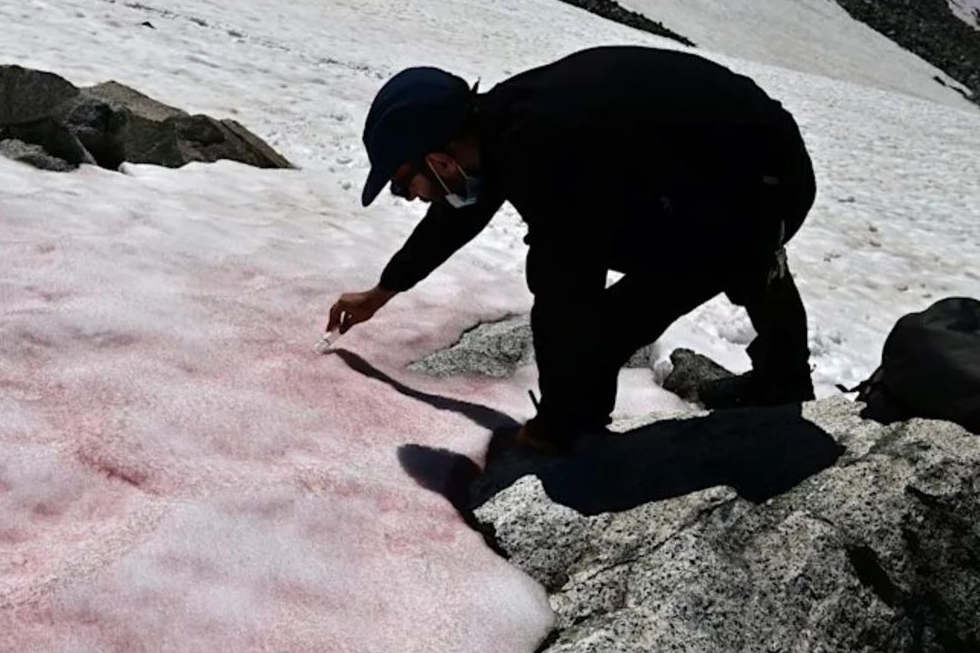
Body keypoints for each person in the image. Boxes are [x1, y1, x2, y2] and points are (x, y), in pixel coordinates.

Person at [327, 46, 818, 452]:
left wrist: (556, 426)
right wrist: (381, 292)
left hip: (763, 182)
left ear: (439, 161)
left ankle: (776, 372)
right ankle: (778, 353)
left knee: (600, 322)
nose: (410, 195)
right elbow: (457, 217)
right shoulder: (499, 123)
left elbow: (566, 293)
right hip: (748, 158)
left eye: (402, 183)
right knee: (631, 255)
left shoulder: (546, 155)